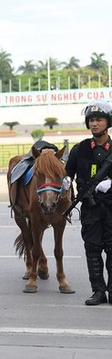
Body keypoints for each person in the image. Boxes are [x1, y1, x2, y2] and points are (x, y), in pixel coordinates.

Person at [65, 100, 112, 306]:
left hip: (111, 207)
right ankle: (98, 291)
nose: (94, 124)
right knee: (92, 250)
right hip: (90, 208)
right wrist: (65, 181)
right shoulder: (80, 149)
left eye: (99, 120)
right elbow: (68, 172)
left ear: (107, 122)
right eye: (91, 120)